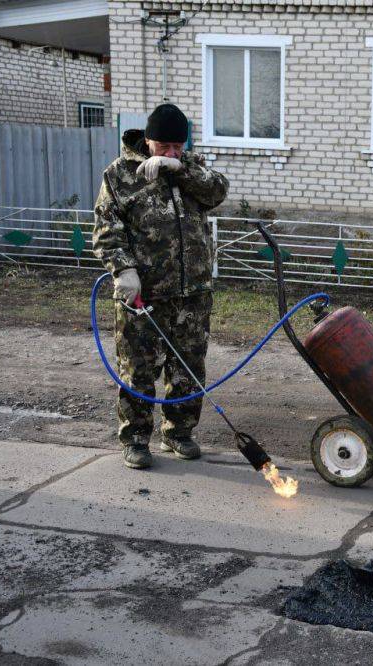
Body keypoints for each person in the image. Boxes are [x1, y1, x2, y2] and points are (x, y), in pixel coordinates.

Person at [93, 103, 229, 469]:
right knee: (138, 369)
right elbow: (107, 232)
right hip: (143, 294)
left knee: (188, 366)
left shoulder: (190, 168)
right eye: (164, 147)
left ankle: (178, 433)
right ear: (148, 140)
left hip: (193, 293)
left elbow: (217, 192)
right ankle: (136, 440)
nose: (171, 152)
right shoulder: (120, 176)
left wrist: (180, 169)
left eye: (178, 147)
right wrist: (123, 271)